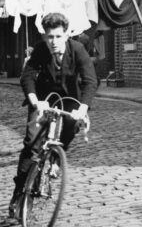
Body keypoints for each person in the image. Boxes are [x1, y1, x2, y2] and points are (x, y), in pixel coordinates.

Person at [9, 12, 97, 218]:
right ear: (44, 37)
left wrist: (82, 108)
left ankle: (57, 156)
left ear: (66, 35)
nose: (54, 42)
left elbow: (90, 81)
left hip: (70, 100)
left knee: (71, 125)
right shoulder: (41, 50)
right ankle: (20, 194)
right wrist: (34, 100)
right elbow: (27, 76)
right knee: (32, 144)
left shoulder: (78, 50)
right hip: (43, 100)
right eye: (49, 37)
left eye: (58, 37)